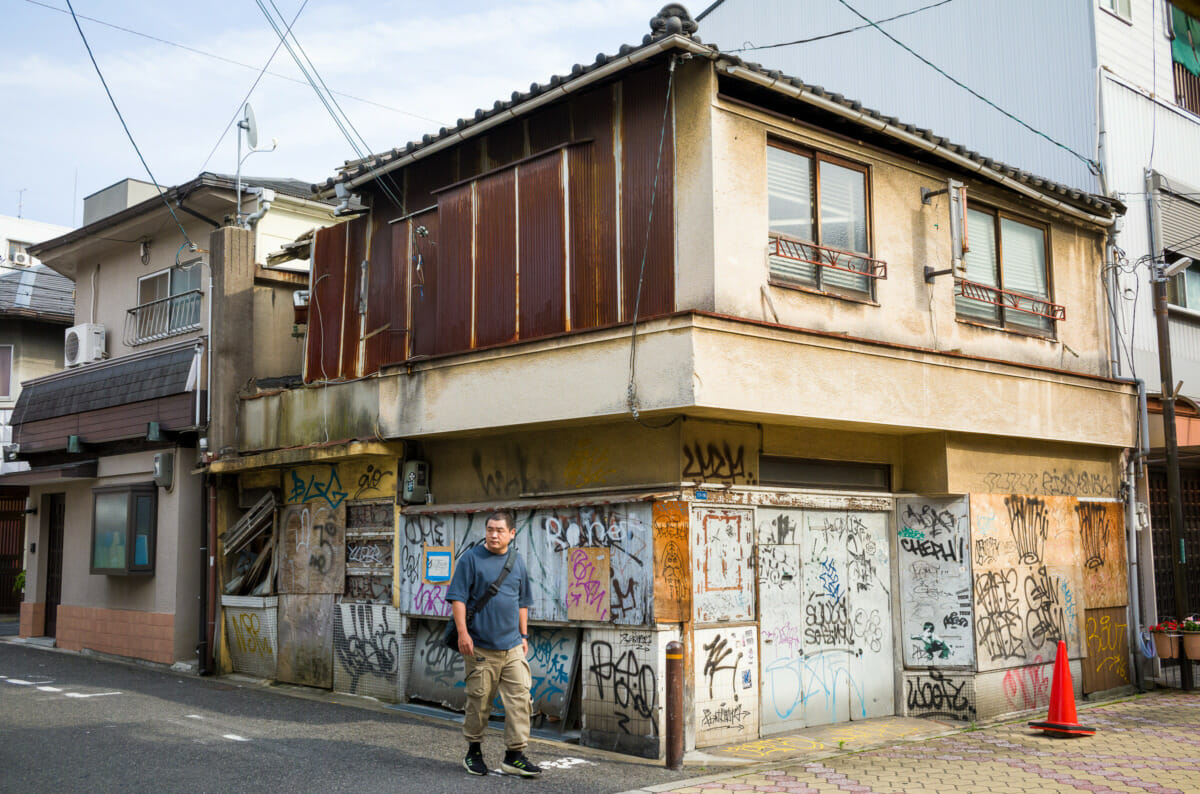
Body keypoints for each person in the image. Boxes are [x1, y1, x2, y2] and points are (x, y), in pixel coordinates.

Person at [446, 510, 541, 777]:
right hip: (480, 647)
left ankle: (514, 755)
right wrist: (463, 634)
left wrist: (524, 636)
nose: (494, 534)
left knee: (521, 699)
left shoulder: (517, 561)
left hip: (511, 647)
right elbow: (458, 598)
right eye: (490, 529)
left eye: (499, 530)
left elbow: (522, 602)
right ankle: (473, 752)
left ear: (512, 534)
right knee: (479, 702)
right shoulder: (471, 559)